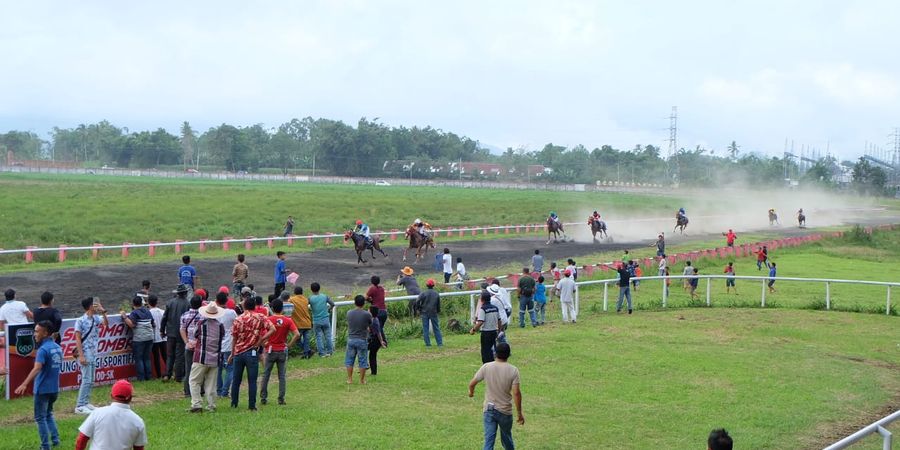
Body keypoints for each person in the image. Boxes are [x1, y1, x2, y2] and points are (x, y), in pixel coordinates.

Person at [467, 342, 524, 450]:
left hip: (489, 409)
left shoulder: (486, 367)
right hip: (505, 411)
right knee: (507, 438)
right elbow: (516, 393)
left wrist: (471, 392)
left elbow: (472, 384)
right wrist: (519, 413)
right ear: (508, 354)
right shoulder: (513, 370)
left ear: (495, 353)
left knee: (489, 441)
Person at [14, 321, 61, 450]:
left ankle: (45, 446)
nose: (34, 334)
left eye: (36, 331)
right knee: (48, 414)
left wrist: (24, 384)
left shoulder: (42, 350)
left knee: (40, 418)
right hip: (54, 389)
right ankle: (56, 441)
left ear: (45, 333)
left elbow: (37, 368)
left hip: (42, 389)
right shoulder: (57, 347)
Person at [229, 296, 275, 410]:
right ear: (254, 306)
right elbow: (273, 329)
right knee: (252, 380)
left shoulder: (238, 319)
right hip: (252, 352)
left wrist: (232, 353)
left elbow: (234, 338)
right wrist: (261, 340)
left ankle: (234, 403)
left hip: (239, 352)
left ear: (244, 306)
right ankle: (251, 405)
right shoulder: (260, 317)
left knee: (236, 380)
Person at [74, 380, 147, 450]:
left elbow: (82, 439)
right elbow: (139, 448)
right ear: (130, 398)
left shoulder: (97, 413)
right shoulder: (138, 422)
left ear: (111, 395)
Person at [74, 296, 109, 414]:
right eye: (94, 304)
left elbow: (106, 324)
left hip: (94, 352)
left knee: (91, 380)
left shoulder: (96, 318)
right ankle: (80, 405)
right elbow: (78, 339)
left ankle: (86, 402)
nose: (96, 305)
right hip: (85, 352)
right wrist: (81, 355)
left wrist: (103, 311)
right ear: (90, 306)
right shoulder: (80, 321)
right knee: (86, 379)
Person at [188, 302, 226, 413]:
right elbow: (222, 338)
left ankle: (196, 404)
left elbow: (195, 335)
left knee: (194, 381)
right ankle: (211, 405)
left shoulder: (201, 324)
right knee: (211, 384)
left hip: (201, 357)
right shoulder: (220, 326)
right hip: (215, 358)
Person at [261, 299, 299, 406]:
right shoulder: (288, 320)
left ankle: (263, 397)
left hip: (270, 350)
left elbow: (261, 333)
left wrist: (264, 344)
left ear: (272, 308)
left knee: (266, 374)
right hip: (282, 349)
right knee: (282, 376)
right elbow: (297, 334)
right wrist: (289, 345)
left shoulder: (269, 320)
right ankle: (281, 398)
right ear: (282, 309)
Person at [162, 285, 190, 384]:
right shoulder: (187, 304)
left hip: (170, 333)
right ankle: (178, 376)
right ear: (185, 293)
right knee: (179, 356)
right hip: (181, 334)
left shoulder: (170, 302)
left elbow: (164, 318)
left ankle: (167, 374)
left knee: (170, 355)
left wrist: (162, 330)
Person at [122, 296, 154, 381]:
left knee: (139, 358)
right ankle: (149, 377)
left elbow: (132, 324)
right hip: (150, 337)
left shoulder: (134, 313)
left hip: (139, 339)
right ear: (141, 303)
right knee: (147, 358)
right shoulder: (148, 311)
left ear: (133, 304)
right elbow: (153, 323)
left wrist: (125, 317)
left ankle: (141, 378)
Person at [213, 292, 238, 398]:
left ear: (216, 301)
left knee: (218, 369)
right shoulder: (231, 312)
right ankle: (224, 391)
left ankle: (219, 391)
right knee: (230, 368)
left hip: (217, 344)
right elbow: (237, 323)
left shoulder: (213, 312)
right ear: (226, 300)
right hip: (229, 344)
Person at [180, 295, 204, 397]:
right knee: (201, 369)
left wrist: (186, 342)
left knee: (188, 369)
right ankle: (200, 390)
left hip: (189, 346)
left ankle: (187, 391)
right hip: (200, 346)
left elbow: (182, 329)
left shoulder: (185, 315)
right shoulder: (203, 316)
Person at [345, 295, 372, 384]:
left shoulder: (349, 313)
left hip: (351, 339)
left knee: (349, 360)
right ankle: (362, 380)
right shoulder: (367, 314)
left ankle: (349, 379)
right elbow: (369, 324)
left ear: (354, 302)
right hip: (362, 340)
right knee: (363, 360)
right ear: (364, 303)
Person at [470, 292, 503, 364]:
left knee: (485, 351)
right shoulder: (495, 308)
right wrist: (499, 331)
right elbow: (499, 321)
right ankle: (493, 364)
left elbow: (480, 322)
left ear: (482, 300)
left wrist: (473, 330)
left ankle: (486, 366)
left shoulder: (483, 309)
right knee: (492, 350)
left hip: (486, 332)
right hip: (494, 331)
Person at [308, 282, 335, 357]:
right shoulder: (325, 296)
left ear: (311, 289)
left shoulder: (310, 298)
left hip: (316, 320)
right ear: (319, 288)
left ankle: (322, 353)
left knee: (318, 337)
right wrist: (329, 309)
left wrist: (311, 310)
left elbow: (306, 306)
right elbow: (332, 304)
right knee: (328, 336)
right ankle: (330, 351)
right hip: (325, 318)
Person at [288, 286, 313, 359]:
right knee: (306, 340)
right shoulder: (306, 299)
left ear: (294, 292)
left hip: (299, 324)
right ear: (302, 292)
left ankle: (307, 352)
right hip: (308, 323)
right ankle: (307, 352)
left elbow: (285, 300)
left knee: (297, 340)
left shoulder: (292, 299)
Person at [417, 279, 443, 347]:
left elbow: (417, 301)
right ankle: (440, 343)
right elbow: (438, 304)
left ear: (427, 285)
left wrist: (419, 308)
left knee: (425, 328)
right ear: (433, 285)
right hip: (433, 312)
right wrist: (438, 311)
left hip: (424, 312)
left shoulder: (423, 293)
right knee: (436, 328)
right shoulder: (436, 293)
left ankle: (428, 344)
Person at [147, 295, 167, 379]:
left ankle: (158, 375)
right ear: (157, 302)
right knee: (165, 356)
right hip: (163, 336)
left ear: (148, 303)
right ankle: (169, 372)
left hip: (154, 338)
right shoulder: (162, 311)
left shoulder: (148, 313)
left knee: (156, 358)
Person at [367, 306, 388, 377]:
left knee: (371, 355)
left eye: (368, 311)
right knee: (372, 355)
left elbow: (378, 333)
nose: (367, 311)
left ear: (371, 313)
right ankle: (373, 371)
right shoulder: (375, 319)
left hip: (375, 341)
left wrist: (381, 341)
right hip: (375, 341)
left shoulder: (374, 321)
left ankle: (369, 369)